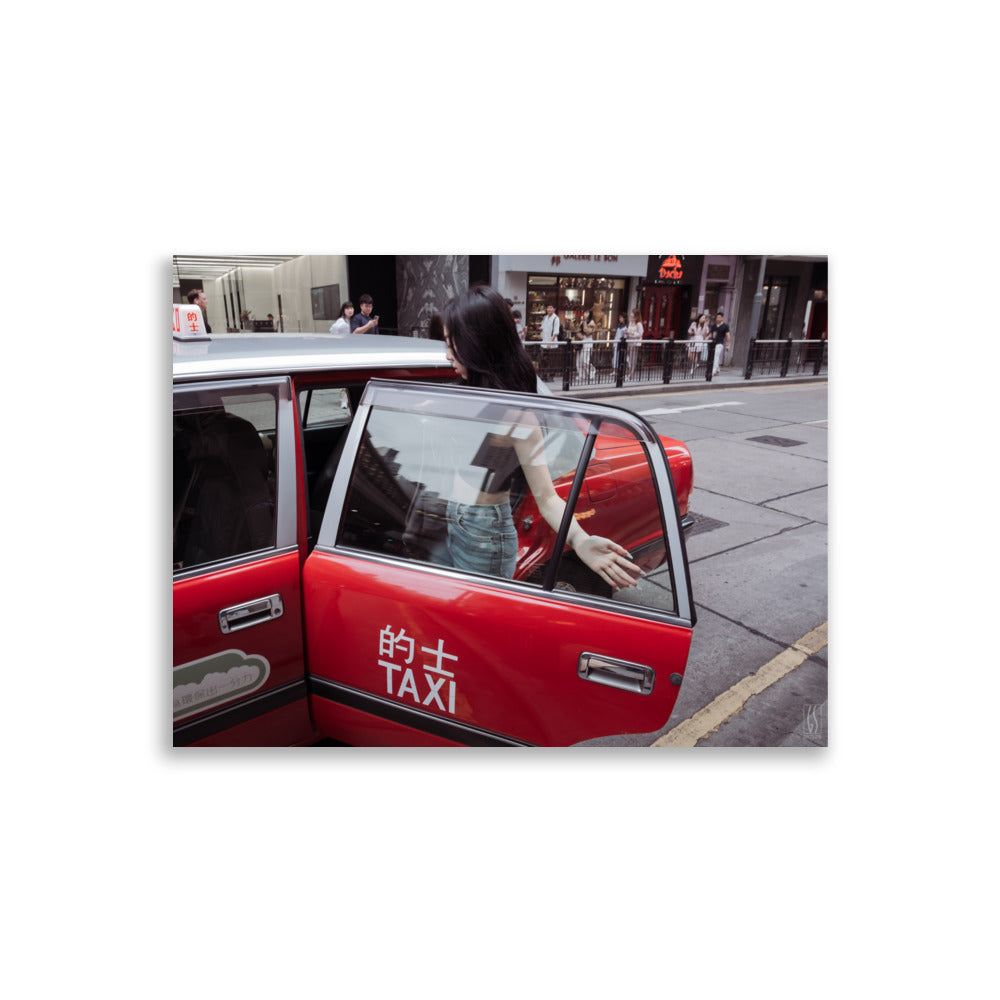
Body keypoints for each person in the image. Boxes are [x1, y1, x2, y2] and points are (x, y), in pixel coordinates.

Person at [436, 284, 642, 589]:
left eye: (451, 344)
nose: (446, 354)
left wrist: (580, 540)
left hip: (485, 537)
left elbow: (546, 497)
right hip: (453, 520)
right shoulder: (465, 393)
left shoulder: (518, 413)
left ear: (475, 344)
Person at [576, 308, 596, 382]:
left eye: (587, 313)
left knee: (585, 360)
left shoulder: (592, 322)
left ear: (590, 314)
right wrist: (580, 335)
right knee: (580, 360)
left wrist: (584, 323)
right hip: (581, 341)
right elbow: (578, 330)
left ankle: (592, 372)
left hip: (588, 342)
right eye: (584, 312)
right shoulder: (582, 322)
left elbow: (587, 332)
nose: (585, 314)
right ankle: (582, 375)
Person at [709, 310, 731, 375]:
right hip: (713, 343)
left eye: (719, 317)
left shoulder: (725, 326)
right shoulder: (714, 326)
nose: (717, 319)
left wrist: (728, 345)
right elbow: (710, 334)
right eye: (717, 317)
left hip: (720, 343)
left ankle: (713, 371)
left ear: (722, 318)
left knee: (716, 356)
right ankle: (717, 369)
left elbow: (728, 335)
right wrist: (706, 339)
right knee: (715, 356)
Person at [626, 308, 644, 377]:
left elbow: (640, 334)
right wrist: (627, 332)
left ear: (635, 314)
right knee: (628, 357)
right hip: (629, 340)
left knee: (633, 358)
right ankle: (628, 372)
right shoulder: (631, 322)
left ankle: (631, 374)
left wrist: (632, 332)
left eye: (632, 313)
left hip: (634, 342)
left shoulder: (639, 324)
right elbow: (629, 331)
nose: (631, 314)